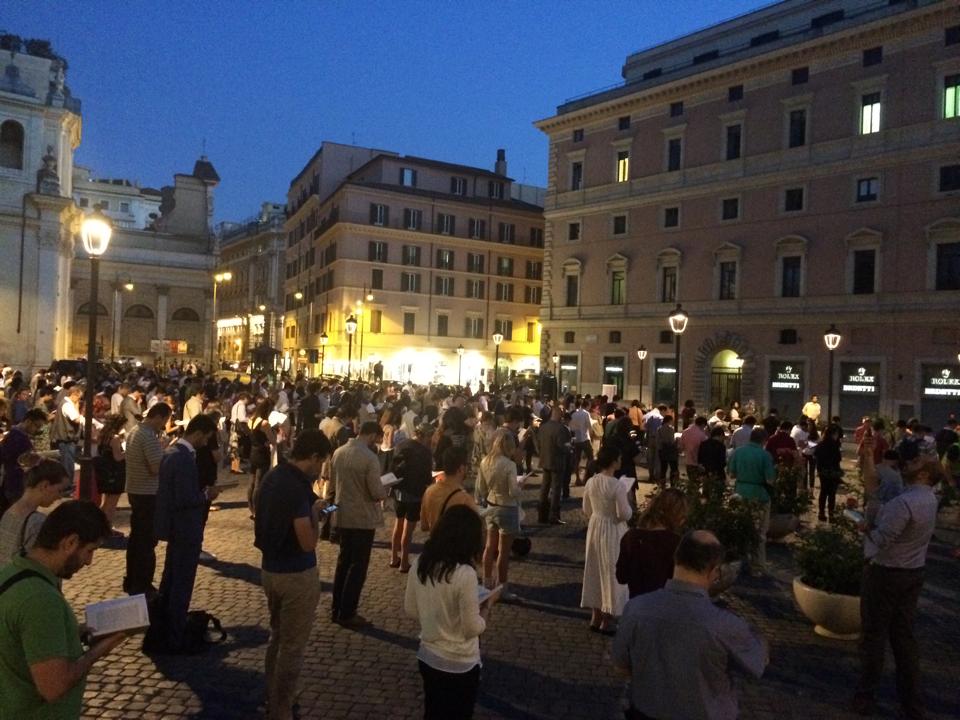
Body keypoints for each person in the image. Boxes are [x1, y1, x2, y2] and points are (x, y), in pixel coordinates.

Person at [612, 530, 768, 720]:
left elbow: (621, 666)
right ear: (714, 572)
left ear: (676, 560)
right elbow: (757, 663)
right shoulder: (724, 624)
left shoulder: (636, 608)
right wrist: (759, 637)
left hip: (645, 713)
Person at [0, 501, 129, 719]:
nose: (89, 562)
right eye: (90, 551)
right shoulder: (41, 600)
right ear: (70, 542)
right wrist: (97, 651)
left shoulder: (12, 572)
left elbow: (22, 640)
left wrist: (75, 632)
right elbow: (53, 686)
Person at [850, 433, 942, 719]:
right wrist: (868, 459)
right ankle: (912, 703)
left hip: (885, 572)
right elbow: (874, 489)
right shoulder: (928, 498)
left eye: (914, 461)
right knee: (904, 639)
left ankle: (866, 695)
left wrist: (865, 526)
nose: (906, 463)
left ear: (924, 472)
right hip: (913, 573)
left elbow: (881, 539)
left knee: (873, 636)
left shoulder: (904, 503)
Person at [255, 429, 332, 720]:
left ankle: (271, 694)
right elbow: (307, 542)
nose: (320, 468)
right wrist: (315, 516)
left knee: (277, 637)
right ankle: (282, 707)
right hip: (296, 574)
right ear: (313, 457)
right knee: (292, 646)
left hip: (270, 569)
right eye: (321, 461)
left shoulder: (273, 477)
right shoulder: (296, 489)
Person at [404, 505, 498, 720]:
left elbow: (410, 609)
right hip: (460, 662)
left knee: (433, 712)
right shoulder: (464, 573)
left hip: (429, 656)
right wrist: (487, 606)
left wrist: (434, 615)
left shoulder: (420, 563)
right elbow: (471, 628)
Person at [152, 413, 219, 653]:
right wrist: (206, 495)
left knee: (171, 580)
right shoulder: (182, 458)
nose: (206, 443)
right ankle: (175, 635)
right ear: (198, 433)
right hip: (185, 528)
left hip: (175, 528)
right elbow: (185, 498)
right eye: (206, 438)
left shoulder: (172, 453)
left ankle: (166, 629)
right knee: (181, 583)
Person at [330, 421, 389, 628]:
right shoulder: (369, 458)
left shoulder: (338, 452)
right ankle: (348, 612)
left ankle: (336, 608)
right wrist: (385, 490)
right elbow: (376, 492)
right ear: (372, 435)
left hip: (343, 514)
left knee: (343, 562)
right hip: (362, 518)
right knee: (358, 567)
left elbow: (333, 483)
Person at [581, 445, 631, 634]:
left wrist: (596, 515)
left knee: (594, 568)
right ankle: (608, 618)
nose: (620, 461)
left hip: (595, 526)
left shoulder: (591, 482)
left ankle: (595, 616)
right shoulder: (617, 485)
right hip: (612, 529)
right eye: (619, 458)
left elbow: (586, 508)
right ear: (613, 461)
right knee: (611, 569)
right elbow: (624, 513)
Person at [123, 402, 171, 596]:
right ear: (158, 417)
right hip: (148, 493)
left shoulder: (135, 431)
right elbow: (155, 468)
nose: (165, 425)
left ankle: (132, 579)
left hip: (135, 489)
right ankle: (143, 583)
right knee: (146, 541)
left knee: (136, 539)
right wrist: (165, 453)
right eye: (165, 420)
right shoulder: (148, 436)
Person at [476, 429, 523, 601]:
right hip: (507, 508)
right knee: (503, 552)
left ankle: (486, 583)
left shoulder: (485, 461)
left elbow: (481, 488)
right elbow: (513, 492)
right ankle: (502, 588)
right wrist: (520, 487)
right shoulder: (509, 465)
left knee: (489, 547)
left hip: (491, 505)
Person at [616, 488, 687, 598]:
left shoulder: (631, 537)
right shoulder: (676, 543)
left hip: (637, 603)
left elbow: (621, 577)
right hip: (665, 603)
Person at [0, 457, 70, 561]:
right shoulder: (37, 522)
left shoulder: (9, 512)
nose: (59, 497)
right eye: (59, 490)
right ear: (45, 486)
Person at [728, 428, 775, 575]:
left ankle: (738, 561)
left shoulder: (738, 452)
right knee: (759, 532)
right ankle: (758, 566)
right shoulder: (765, 455)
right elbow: (770, 479)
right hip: (759, 495)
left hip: (740, 492)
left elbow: (731, 474)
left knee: (740, 528)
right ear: (764, 440)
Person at [390, 422, 435, 572]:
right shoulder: (424, 451)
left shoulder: (401, 445)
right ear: (426, 436)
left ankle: (393, 557)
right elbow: (427, 476)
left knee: (398, 524)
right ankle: (404, 562)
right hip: (414, 492)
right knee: (408, 530)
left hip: (398, 489)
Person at [0, 408, 48, 514]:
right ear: (28, 421)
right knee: (18, 514)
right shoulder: (19, 438)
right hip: (16, 482)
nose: (37, 430)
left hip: (10, 481)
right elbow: (26, 461)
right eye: (37, 426)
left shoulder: (13, 434)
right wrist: (38, 459)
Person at [421, 446, 478, 533]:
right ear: (461, 468)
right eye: (467, 465)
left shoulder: (429, 491)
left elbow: (424, 526)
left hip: (435, 540)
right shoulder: (465, 499)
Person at [94, 413, 127, 534]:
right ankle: (107, 527)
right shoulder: (115, 438)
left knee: (105, 503)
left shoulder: (103, 436)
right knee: (112, 504)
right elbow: (118, 457)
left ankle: (100, 525)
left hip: (105, 472)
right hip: (115, 472)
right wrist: (128, 451)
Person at [536, 405, 568, 524]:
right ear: (559, 414)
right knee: (556, 489)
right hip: (557, 461)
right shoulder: (561, 429)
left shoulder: (543, 427)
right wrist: (570, 447)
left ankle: (542, 514)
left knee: (544, 487)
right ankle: (554, 515)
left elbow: (539, 443)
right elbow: (563, 446)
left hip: (545, 460)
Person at [247, 399, 277, 518]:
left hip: (253, 451)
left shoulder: (252, 420)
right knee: (259, 483)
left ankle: (251, 507)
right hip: (262, 454)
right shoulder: (264, 423)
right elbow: (273, 440)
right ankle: (257, 509)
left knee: (252, 482)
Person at [50, 384, 84, 488]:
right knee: (67, 464)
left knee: (68, 463)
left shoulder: (66, 403)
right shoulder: (67, 405)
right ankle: (66, 486)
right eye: (79, 397)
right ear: (74, 395)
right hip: (66, 439)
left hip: (67, 439)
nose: (79, 400)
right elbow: (76, 419)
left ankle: (67, 485)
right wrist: (77, 407)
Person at [813, 424, 843, 523]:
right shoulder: (834, 445)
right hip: (833, 472)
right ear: (833, 434)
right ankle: (831, 514)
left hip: (823, 471)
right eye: (836, 434)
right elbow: (838, 459)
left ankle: (821, 513)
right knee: (832, 494)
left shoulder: (821, 444)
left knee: (823, 492)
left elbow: (816, 456)